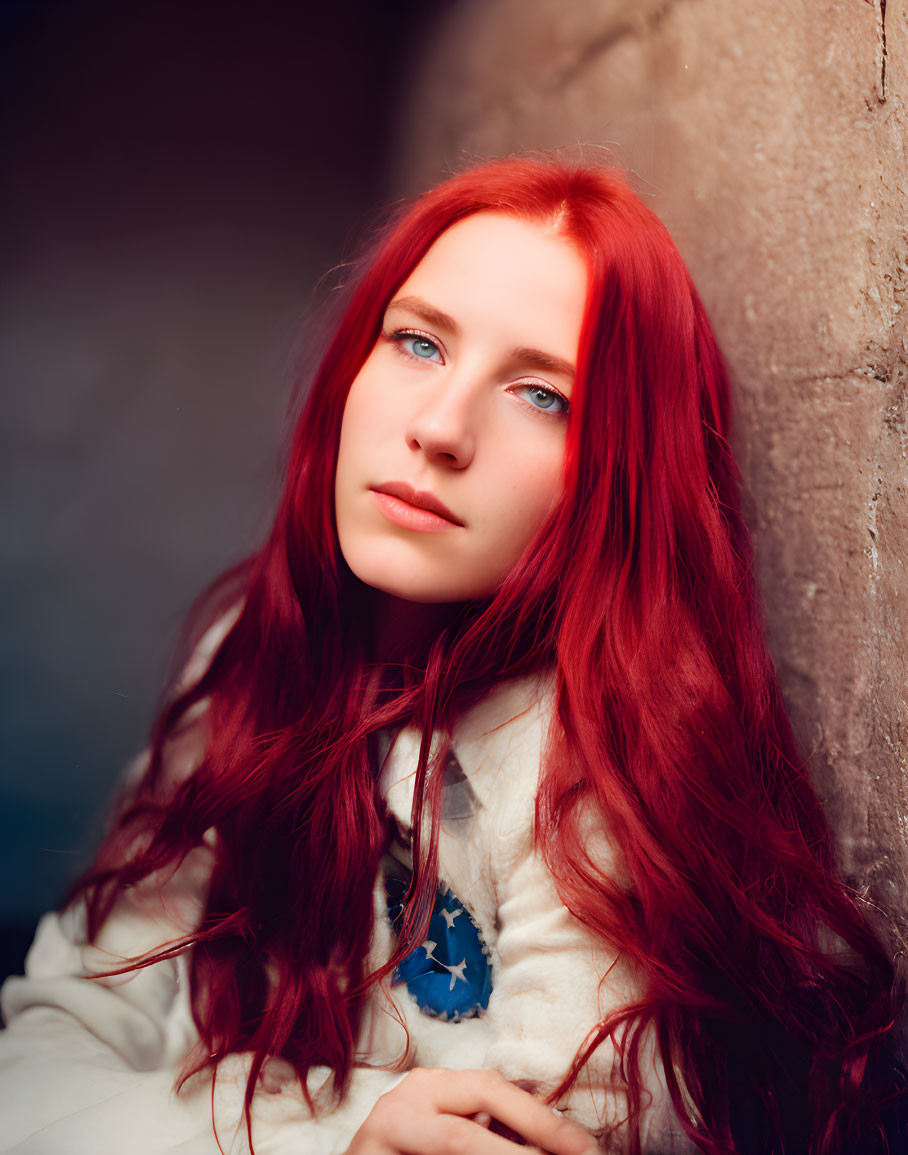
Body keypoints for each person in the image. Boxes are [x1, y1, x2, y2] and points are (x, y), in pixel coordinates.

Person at [0, 155, 903, 1155]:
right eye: (418, 343)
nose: (437, 429)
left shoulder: (598, 755)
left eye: (541, 396)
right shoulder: (254, 660)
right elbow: (38, 1063)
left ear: (615, 472)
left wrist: (187, 1112)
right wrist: (335, 1137)